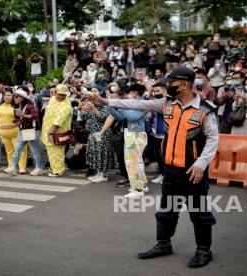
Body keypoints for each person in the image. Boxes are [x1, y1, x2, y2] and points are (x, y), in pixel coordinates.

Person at [92, 66, 218, 268]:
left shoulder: (205, 109)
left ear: (184, 84)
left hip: (193, 171)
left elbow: (213, 139)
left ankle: (204, 250)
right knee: (166, 210)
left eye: (171, 83)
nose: (168, 86)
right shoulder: (166, 104)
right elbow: (136, 104)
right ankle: (163, 244)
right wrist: (106, 101)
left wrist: (201, 164)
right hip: (171, 169)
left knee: (199, 212)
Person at [99, 84, 149, 198]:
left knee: (133, 162)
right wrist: (112, 107)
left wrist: (117, 104)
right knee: (136, 162)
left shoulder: (142, 104)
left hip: (136, 134)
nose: (128, 95)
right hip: (130, 133)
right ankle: (142, 185)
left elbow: (132, 117)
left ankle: (138, 189)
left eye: (130, 93)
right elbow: (122, 118)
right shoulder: (134, 103)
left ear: (135, 93)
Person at [0, 89, 32, 175]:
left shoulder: (17, 106)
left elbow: (23, 118)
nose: (6, 97)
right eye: (5, 95)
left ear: (13, 97)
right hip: (3, 132)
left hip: (15, 131)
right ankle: (11, 166)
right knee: (9, 150)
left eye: (9, 95)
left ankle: (22, 167)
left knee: (20, 150)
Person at [40, 84, 73, 177]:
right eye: (59, 94)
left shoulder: (66, 105)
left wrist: (50, 133)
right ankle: (54, 167)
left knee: (57, 152)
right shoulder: (52, 99)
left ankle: (58, 170)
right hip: (48, 130)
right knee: (51, 151)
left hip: (57, 133)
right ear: (55, 93)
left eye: (64, 95)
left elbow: (57, 122)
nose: (61, 97)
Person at [80, 96, 114, 183]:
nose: (93, 100)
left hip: (102, 134)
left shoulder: (106, 107)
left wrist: (93, 108)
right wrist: (81, 108)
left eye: (95, 99)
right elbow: (83, 117)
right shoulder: (91, 107)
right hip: (93, 133)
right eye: (92, 99)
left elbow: (102, 118)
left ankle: (103, 174)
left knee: (102, 154)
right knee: (95, 153)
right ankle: (98, 173)